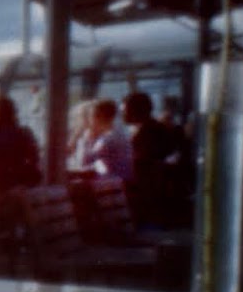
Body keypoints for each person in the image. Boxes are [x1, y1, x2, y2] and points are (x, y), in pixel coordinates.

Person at [122, 91, 183, 229]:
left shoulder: (152, 131)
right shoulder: (141, 129)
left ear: (137, 111)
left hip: (152, 195)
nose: (123, 114)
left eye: (125, 110)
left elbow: (146, 160)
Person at [72, 98, 134, 181]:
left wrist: (83, 138)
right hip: (114, 180)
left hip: (117, 182)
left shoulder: (111, 138)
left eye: (91, 116)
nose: (89, 120)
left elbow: (96, 167)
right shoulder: (109, 135)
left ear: (99, 117)